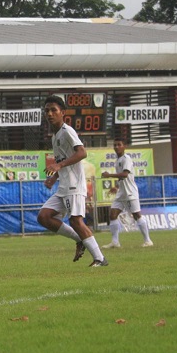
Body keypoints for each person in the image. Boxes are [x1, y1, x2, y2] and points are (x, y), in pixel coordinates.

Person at [37, 95, 108, 267]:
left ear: (63, 112)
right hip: (63, 186)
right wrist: (54, 177)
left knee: (76, 221)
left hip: (75, 185)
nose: (50, 113)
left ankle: (100, 258)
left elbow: (82, 153)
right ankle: (80, 240)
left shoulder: (67, 131)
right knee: (44, 217)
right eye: (47, 110)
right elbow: (64, 160)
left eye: (54, 110)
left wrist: (58, 166)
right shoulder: (55, 136)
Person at [101, 138, 153, 248]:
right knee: (113, 214)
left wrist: (109, 175)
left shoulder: (126, 159)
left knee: (136, 215)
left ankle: (148, 240)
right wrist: (116, 186)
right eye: (115, 145)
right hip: (122, 193)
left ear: (124, 146)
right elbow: (122, 178)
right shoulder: (118, 160)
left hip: (130, 192)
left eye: (119, 144)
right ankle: (115, 242)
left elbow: (125, 174)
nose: (116, 147)